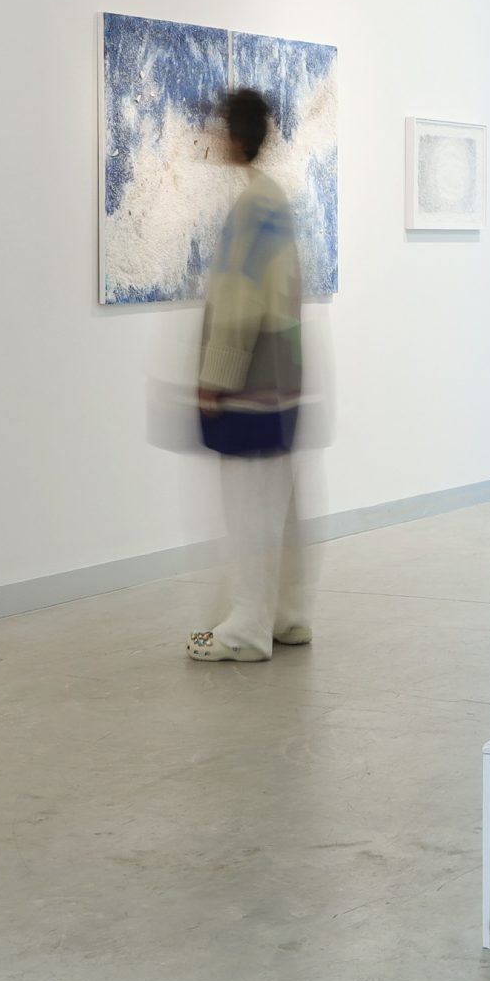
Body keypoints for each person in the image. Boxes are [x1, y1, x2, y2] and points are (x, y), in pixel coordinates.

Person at [186, 87, 313, 663]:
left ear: (236, 137)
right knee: (278, 506)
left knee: (247, 510)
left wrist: (215, 377)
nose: (214, 138)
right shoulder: (275, 199)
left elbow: (239, 301)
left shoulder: (251, 208)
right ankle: (286, 615)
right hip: (283, 380)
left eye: (220, 128)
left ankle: (246, 628)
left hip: (251, 386)